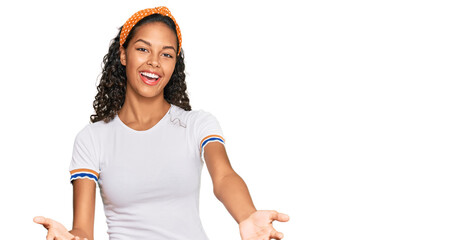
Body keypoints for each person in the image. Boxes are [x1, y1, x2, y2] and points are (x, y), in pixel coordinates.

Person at [33, 6, 289, 240]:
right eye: (143, 49)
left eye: (166, 54)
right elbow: (83, 230)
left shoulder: (196, 124)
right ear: (123, 55)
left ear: (174, 63)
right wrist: (71, 237)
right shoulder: (92, 139)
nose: (154, 62)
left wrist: (247, 215)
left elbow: (223, 177)